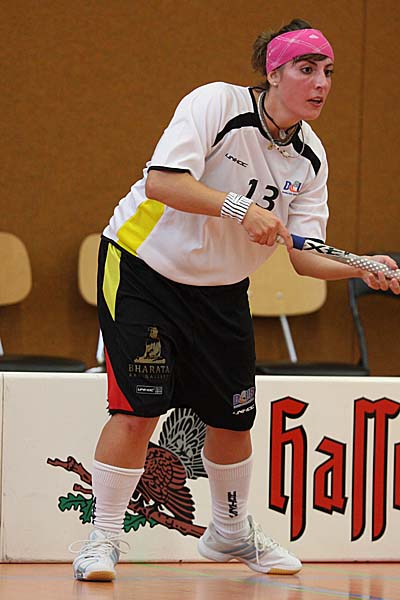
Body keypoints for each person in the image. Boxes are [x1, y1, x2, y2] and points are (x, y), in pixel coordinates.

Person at [71, 17, 400, 582]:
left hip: (221, 290)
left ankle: (227, 533)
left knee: (233, 417)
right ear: (273, 73)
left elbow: (304, 254)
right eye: (306, 69)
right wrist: (239, 209)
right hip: (143, 269)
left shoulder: (310, 157)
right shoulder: (216, 105)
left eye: (328, 72)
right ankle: (101, 538)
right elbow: (162, 182)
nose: (321, 83)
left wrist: (359, 266)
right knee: (139, 410)